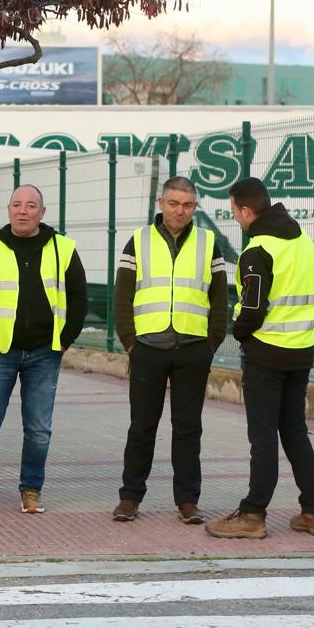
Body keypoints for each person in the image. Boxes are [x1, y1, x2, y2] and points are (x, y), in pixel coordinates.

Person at [205, 178, 314, 540]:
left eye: (234, 212)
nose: (236, 219)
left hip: (265, 355)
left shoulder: (257, 250)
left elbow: (254, 306)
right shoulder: (304, 242)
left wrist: (239, 330)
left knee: (263, 438)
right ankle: (313, 511)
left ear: (246, 210)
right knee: (295, 432)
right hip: (301, 351)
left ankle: (253, 514)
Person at [0, 184, 87, 514]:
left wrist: (63, 340)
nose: (22, 211)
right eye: (16, 204)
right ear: (8, 209)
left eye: (30, 205)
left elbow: (79, 300)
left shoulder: (63, 249)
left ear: (42, 212)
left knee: (39, 427)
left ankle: (31, 489)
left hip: (45, 353)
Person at [111, 177, 229, 525]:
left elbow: (220, 298)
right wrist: (131, 342)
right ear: (161, 203)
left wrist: (212, 342)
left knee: (188, 428)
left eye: (188, 205)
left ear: (195, 207)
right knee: (142, 427)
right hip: (148, 348)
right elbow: (123, 296)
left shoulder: (209, 243)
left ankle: (188, 501)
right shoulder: (140, 241)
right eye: (174, 203)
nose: (181, 211)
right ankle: (130, 497)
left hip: (194, 349)